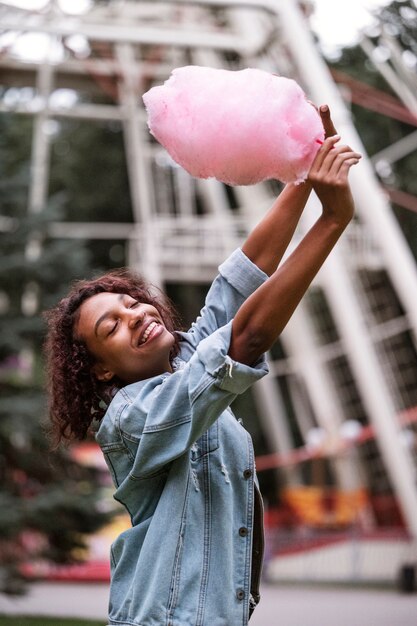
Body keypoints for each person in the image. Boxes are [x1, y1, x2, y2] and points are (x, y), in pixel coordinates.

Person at [44, 106, 361, 626]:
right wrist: (330, 221)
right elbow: (245, 338)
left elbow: (243, 277)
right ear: (100, 370)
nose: (134, 315)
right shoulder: (130, 417)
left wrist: (303, 170)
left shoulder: (183, 358)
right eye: (111, 328)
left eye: (130, 303)